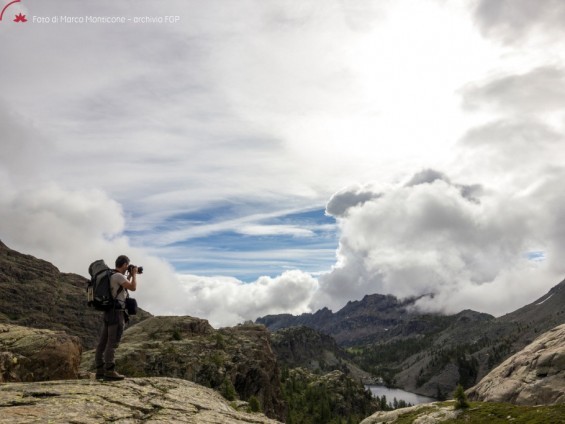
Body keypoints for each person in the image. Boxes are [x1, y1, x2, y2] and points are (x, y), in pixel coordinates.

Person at [94, 255, 139, 380]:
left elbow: (121, 286)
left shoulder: (111, 276)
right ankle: (110, 371)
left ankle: (100, 370)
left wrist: (129, 276)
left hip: (108, 312)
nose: (128, 267)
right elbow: (133, 287)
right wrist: (134, 274)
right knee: (112, 343)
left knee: (102, 343)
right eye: (128, 265)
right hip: (117, 313)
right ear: (124, 264)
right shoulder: (118, 276)